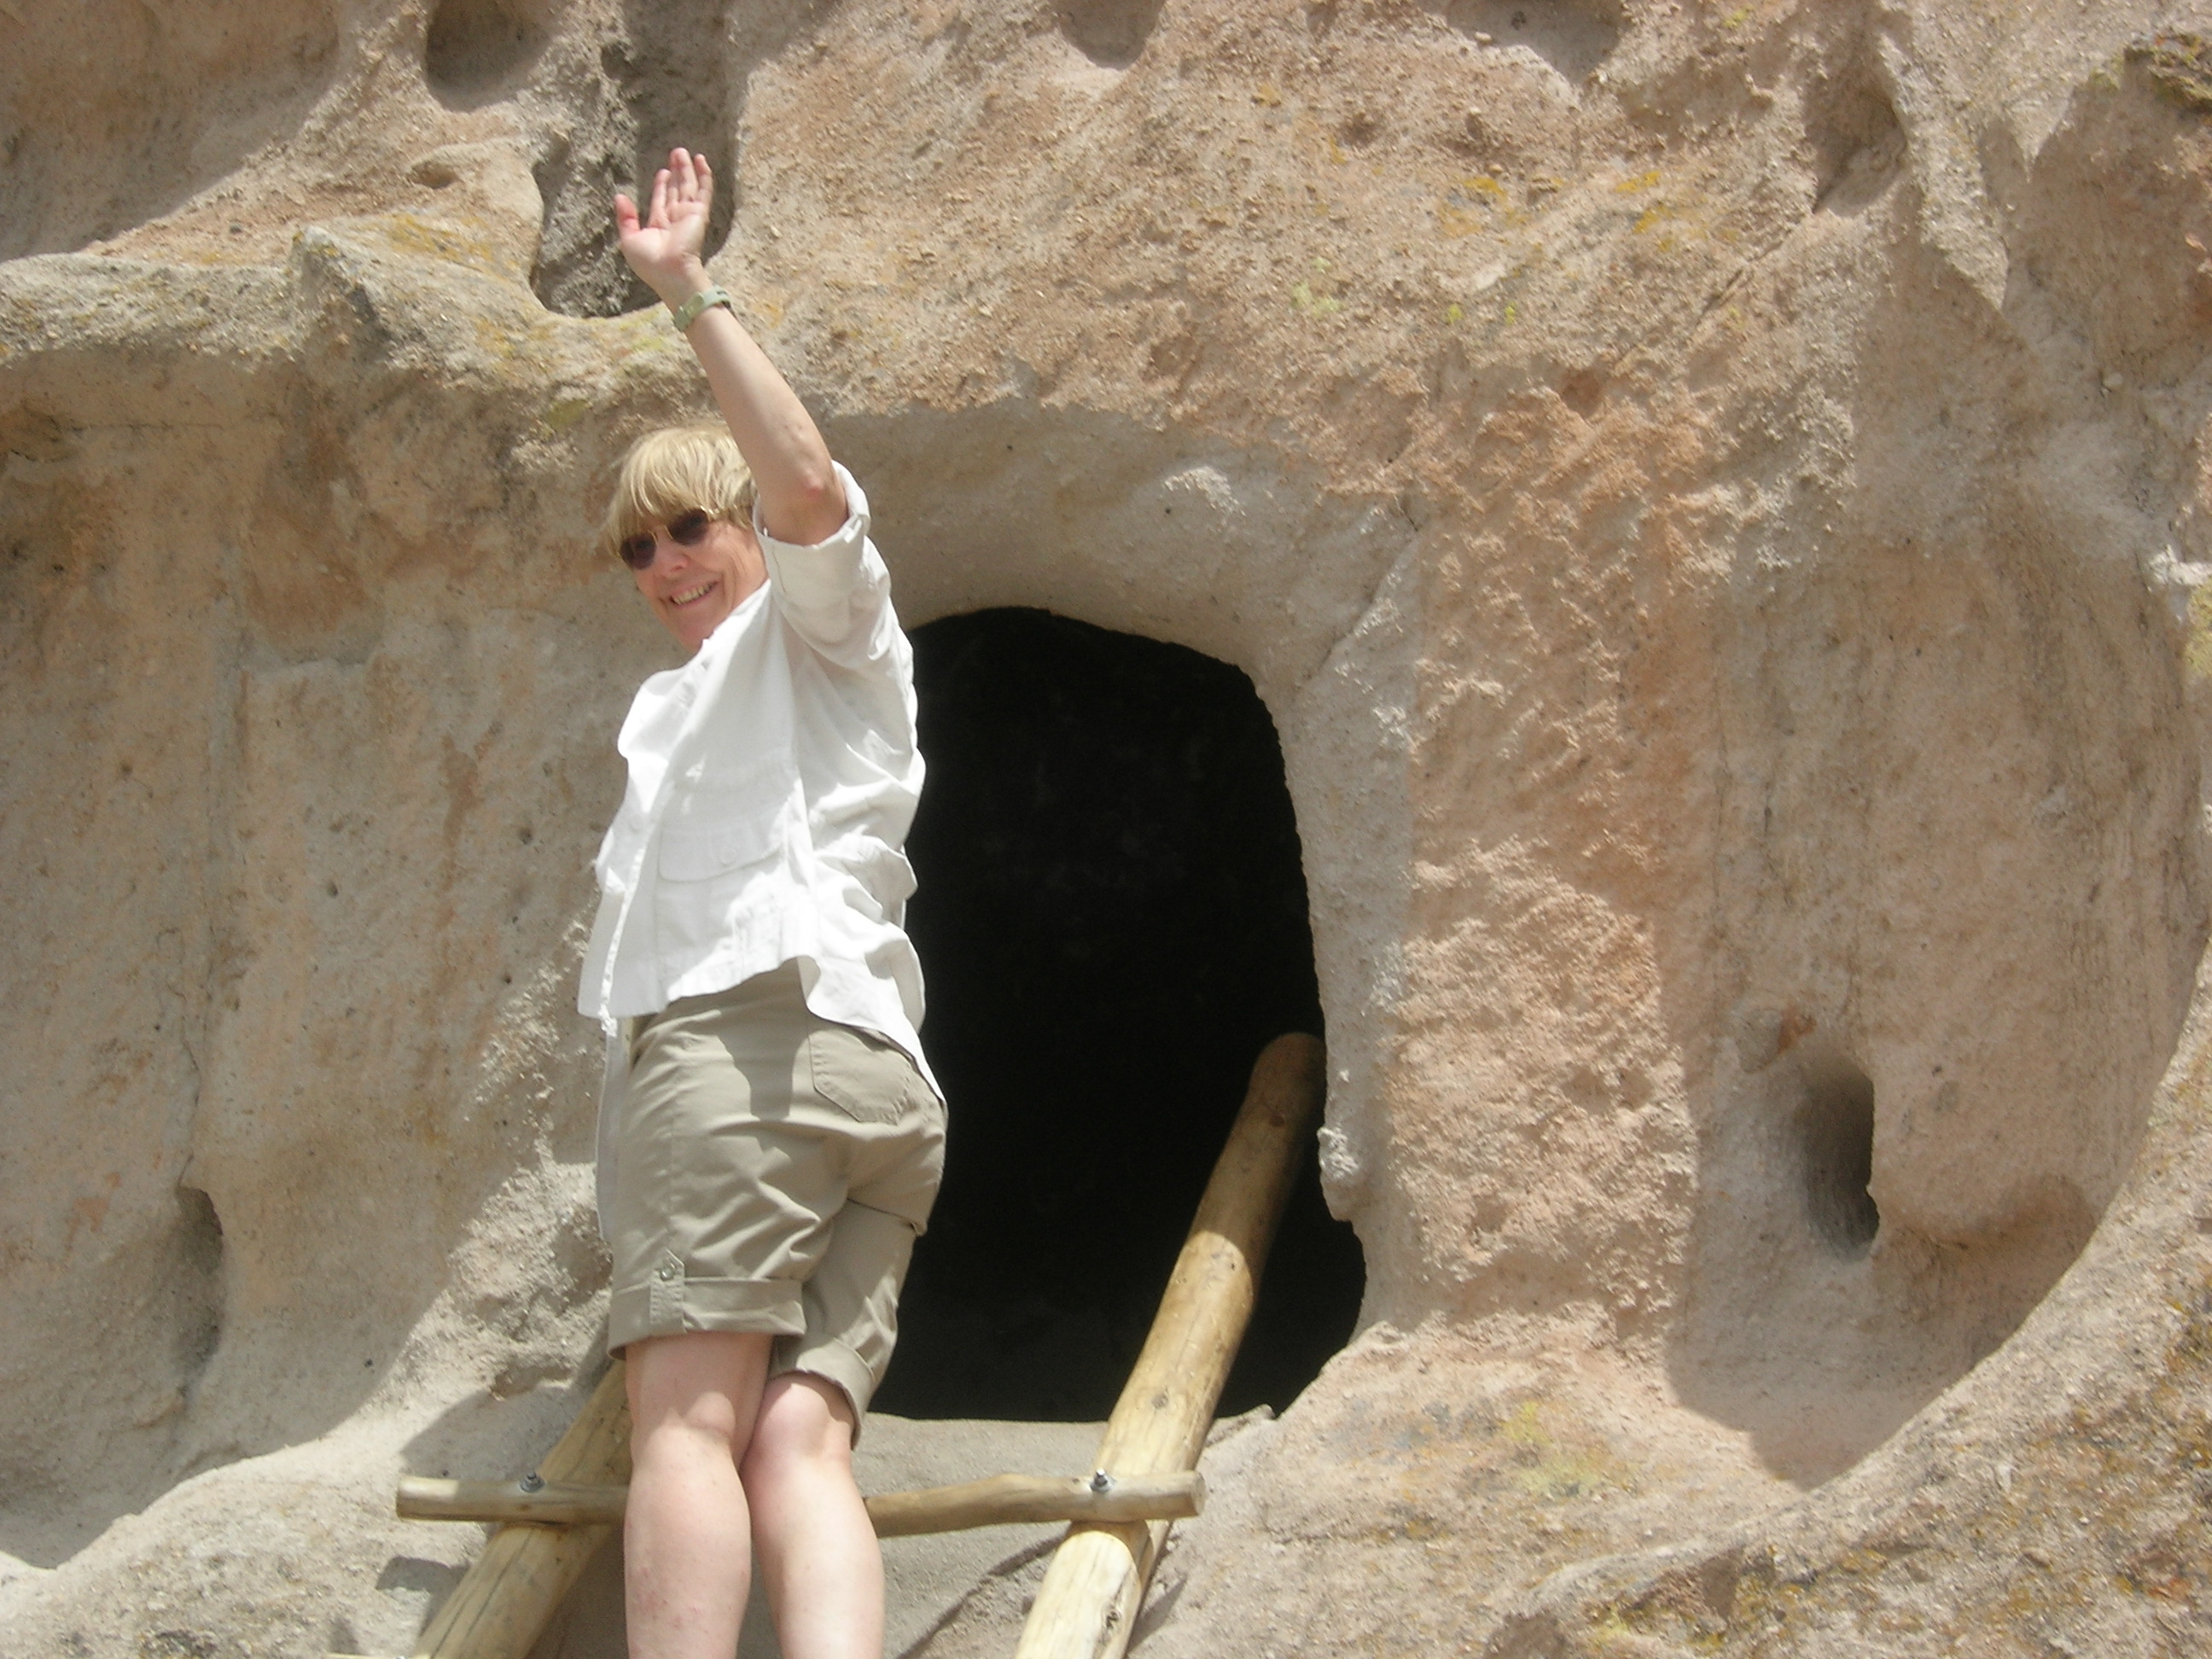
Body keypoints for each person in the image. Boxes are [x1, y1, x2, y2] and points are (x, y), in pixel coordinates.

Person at [578, 147, 945, 1659]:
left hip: (753, 1059)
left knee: (685, 1424)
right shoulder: (699, 701)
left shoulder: (818, 632)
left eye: (691, 528)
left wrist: (688, 294)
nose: (666, 562)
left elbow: (806, 491)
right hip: (877, 1093)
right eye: (638, 544)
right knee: (797, 1442)